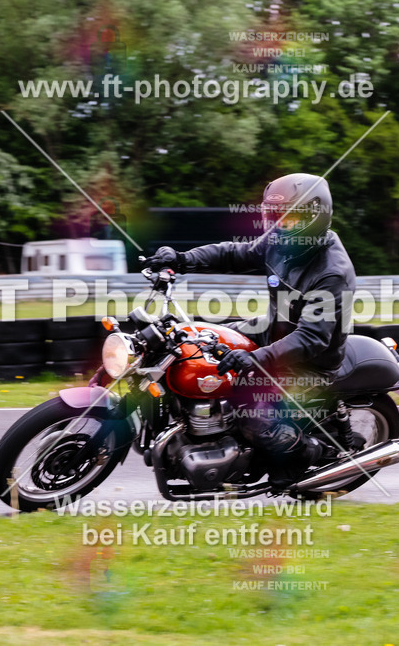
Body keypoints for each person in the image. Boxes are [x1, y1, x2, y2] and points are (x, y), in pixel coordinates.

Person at [144, 173, 356, 491]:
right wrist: (182, 259)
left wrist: (256, 359)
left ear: (314, 217)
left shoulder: (331, 273)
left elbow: (312, 338)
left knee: (252, 415)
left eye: (289, 217)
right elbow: (234, 254)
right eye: (274, 216)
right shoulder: (282, 240)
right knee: (195, 343)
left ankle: (306, 455)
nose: (279, 224)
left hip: (309, 362)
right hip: (271, 331)